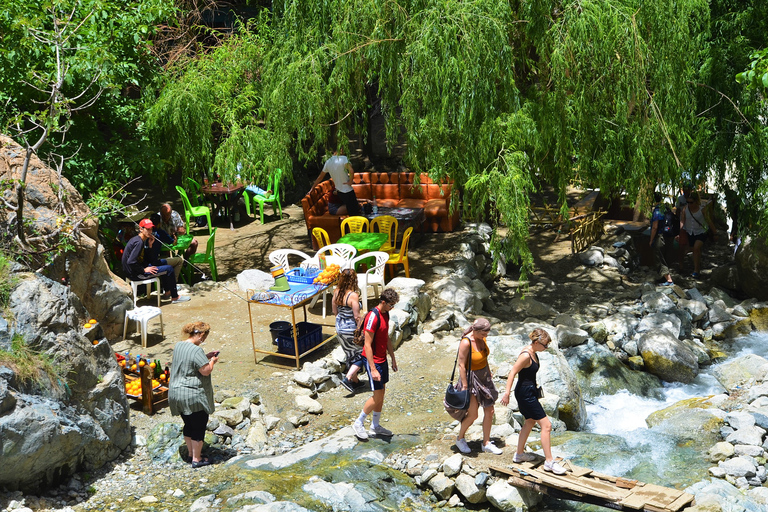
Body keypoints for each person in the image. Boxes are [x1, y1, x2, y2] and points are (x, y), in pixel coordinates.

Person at [500, 328, 567, 475]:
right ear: (536, 342)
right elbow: (512, 372)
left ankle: (519, 455)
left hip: (529, 392)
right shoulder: (526, 355)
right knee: (547, 426)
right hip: (525, 394)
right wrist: (506, 393)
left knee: (530, 422)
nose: (546, 348)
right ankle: (549, 462)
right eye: (545, 345)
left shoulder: (533, 352)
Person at [351, 288, 400, 439]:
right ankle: (358, 422)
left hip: (382, 359)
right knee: (377, 396)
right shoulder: (373, 316)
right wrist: (372, 369)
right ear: (383, 302)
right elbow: (367, 344)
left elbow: (386, 338)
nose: (393, 307)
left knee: (381, 394)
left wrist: (392, 357)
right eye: (391, 304)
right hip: (374, 361)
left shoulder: (386, 313)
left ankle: (375, 426)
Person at [168, 322, 218, 468]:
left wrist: (205, 357)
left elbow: (189, 362)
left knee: (188, 424)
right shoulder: (196, 350)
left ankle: (190, 454)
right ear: (201, 335)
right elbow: (205, 370)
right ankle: (197, 459)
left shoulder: (179, 345)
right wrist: (212, 361)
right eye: (205, 336)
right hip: (192, 395)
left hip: (176, 393)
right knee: (198, 426)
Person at [454, 318, 502, 455]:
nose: (485, 337)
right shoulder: (466, 342)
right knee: (473, 414)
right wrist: (464, 386)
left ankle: (486, 443)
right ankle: (460, 438)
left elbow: (484, 357)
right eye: (483, 334)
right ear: (476, 331)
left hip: (484, 376)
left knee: (490, 410)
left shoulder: (482, 338)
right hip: (470, 379)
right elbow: (461, 365)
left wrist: (488, 370)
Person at [121, 218, 190, 303]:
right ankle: (175, 297)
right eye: (148, 229)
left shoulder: (138, 239)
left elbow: (146, 258)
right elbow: (131, 261)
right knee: (169, 269)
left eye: (151, 229)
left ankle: (168, 290)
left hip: (135, 270)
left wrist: (150, 246)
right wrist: (143, 270)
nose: (150, 231)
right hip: (135, 274)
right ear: (141, 229)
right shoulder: (139, 242)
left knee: (163, 266)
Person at [332, 268, 365, 392]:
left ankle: (355, 382)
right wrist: (362, 329)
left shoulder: (336, 292)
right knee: (363, 353)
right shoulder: (353, 295)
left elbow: (335, 312)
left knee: (350, 354)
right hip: (350, 328)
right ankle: (348, 377)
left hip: (340, 327)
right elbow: (356, 316)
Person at [312, 148, 361, 216]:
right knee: (354, 212)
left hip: (339, 191)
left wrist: (312, 188)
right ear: (337, 151)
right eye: (342, 150)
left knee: (351, 210)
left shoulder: (328, 162)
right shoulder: (344, 158)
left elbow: (320, 177)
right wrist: (350, 181)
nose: (343, 152)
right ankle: (356, 225)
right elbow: (351, 171)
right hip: (347, 190)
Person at [679, 191, 717, 278]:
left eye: (691, 202)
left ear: (696, 201)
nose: (689, 204)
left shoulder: (702, 210)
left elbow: (709, 221)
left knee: (696, 248)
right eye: (688, 202)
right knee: (695, 250)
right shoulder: (685, 209)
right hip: (690, 232)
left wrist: (715, 233)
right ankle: (698, 266)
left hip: (701, 232)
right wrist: (680, 231)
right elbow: (682, 221)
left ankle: (696, 270)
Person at [144, 213, 184, 284]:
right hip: (154, 262)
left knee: (165, 256)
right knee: (179, 260)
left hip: (145, 262)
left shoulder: (145, 232)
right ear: (159, 223)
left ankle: (165, 281)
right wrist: (175, 236)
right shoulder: (160, 232)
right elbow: (173, 243)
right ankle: (174, 282)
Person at [649, 193, 675, 286]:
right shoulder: (667, 208)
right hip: (669, 236)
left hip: (661, 236)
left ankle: (669, 280)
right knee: (666, 257)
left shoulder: (657, 210)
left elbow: (655, 227)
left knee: (659, 258)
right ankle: (663, 278)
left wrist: (651, 240)